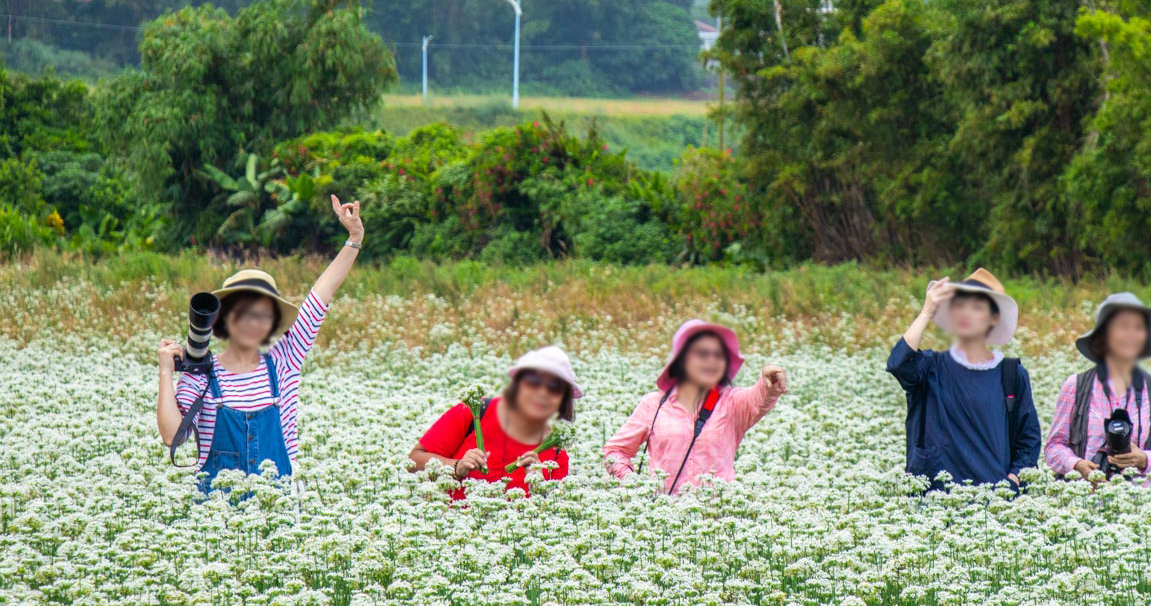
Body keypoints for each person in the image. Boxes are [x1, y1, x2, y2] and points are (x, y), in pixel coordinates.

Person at [155, 195, 365, 492]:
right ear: (224, 319)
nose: (253, 322)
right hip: (217, 516)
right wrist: (166, 372)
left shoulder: (285, 360)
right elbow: (171, 435)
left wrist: (354, 237)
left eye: (262, 315)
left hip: (277, 511)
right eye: (243, 313)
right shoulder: (201, 371)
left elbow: (320, 295)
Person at [887, 268, 1041, 492]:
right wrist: (926, 313)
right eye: (960, 306)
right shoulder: (931, 367)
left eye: (977, 307)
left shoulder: (1010, 374)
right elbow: (899, 363)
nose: (966, 314)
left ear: (994, 318)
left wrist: (1013, 480)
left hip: (993, 502)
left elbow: (1029, 440)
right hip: (936, 502)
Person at [603, 319, 788, 493]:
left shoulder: (731, 403)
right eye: (702, 354)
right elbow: (615, 451)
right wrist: (632, 483)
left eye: (718, 355)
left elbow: (758, 399)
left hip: (717, 518)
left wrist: (768, 380)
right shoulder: (654, 404)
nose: (713, 361)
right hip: (667, 517)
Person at [408, 346, 582, 500]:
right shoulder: (474, 411)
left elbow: (551, 513)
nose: (542, 392)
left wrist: (536, 481)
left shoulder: (556, 451)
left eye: (554, 387)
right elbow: (413, 461)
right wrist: (456, 467)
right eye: (534, 381)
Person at [1044, 292, 1151, 482]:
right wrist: (1077, 465)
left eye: (1139, 327)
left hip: (1139, 503)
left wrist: (1143, 459)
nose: (1131, 334)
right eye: (1123, 326)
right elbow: (1053, 447)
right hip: (1083, 503)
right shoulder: (1076, 386)